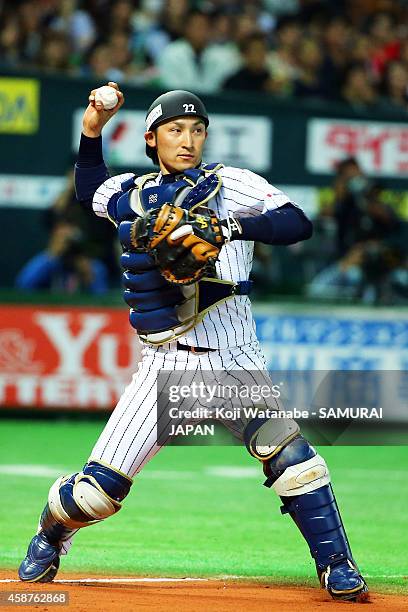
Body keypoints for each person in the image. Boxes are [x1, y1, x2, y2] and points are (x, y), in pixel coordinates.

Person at [18, 84, 368, 603]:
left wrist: (229, 226)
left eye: (197, 129)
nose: (188, 139)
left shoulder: (230, 184)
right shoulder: (134, 195)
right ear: (152, 138)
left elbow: (298, 222)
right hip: (164, 367)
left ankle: (336, 565)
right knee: (96, 496)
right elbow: (90, 188)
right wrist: (92, 128)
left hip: (235, 361)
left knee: (295, 460)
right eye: (176, 130)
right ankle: (52, 532)